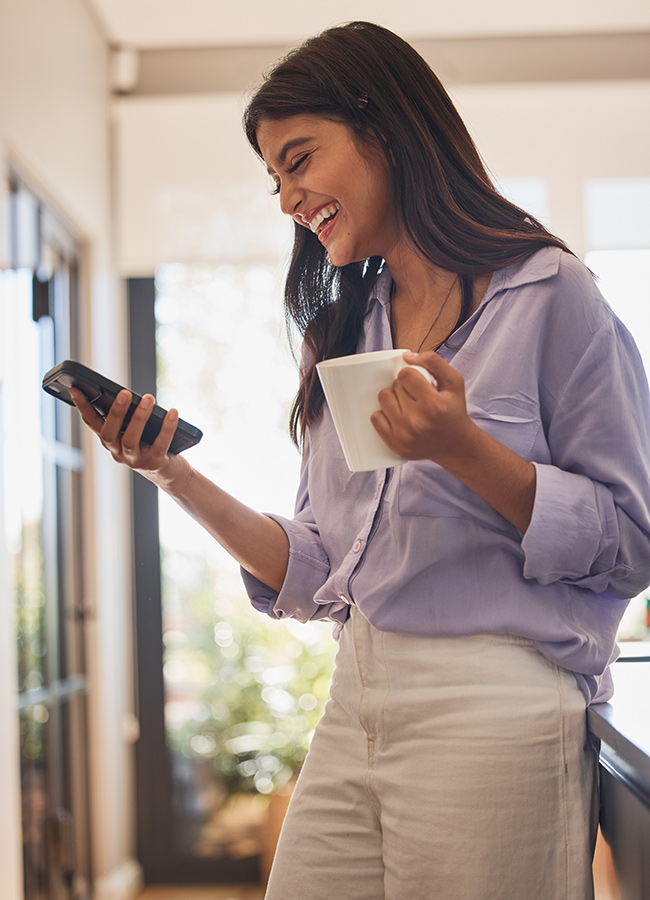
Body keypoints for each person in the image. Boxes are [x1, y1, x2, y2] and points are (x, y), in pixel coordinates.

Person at [72, 21, 650, 900]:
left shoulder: (552, 295)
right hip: (358, 698)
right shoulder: (345, 330)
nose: (287, 198)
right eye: (274, 178)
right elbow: (313, 567)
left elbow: (630, 542)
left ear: (380, 126)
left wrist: (463, 449)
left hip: (495, 707)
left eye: (299, 161)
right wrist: (168, 472)